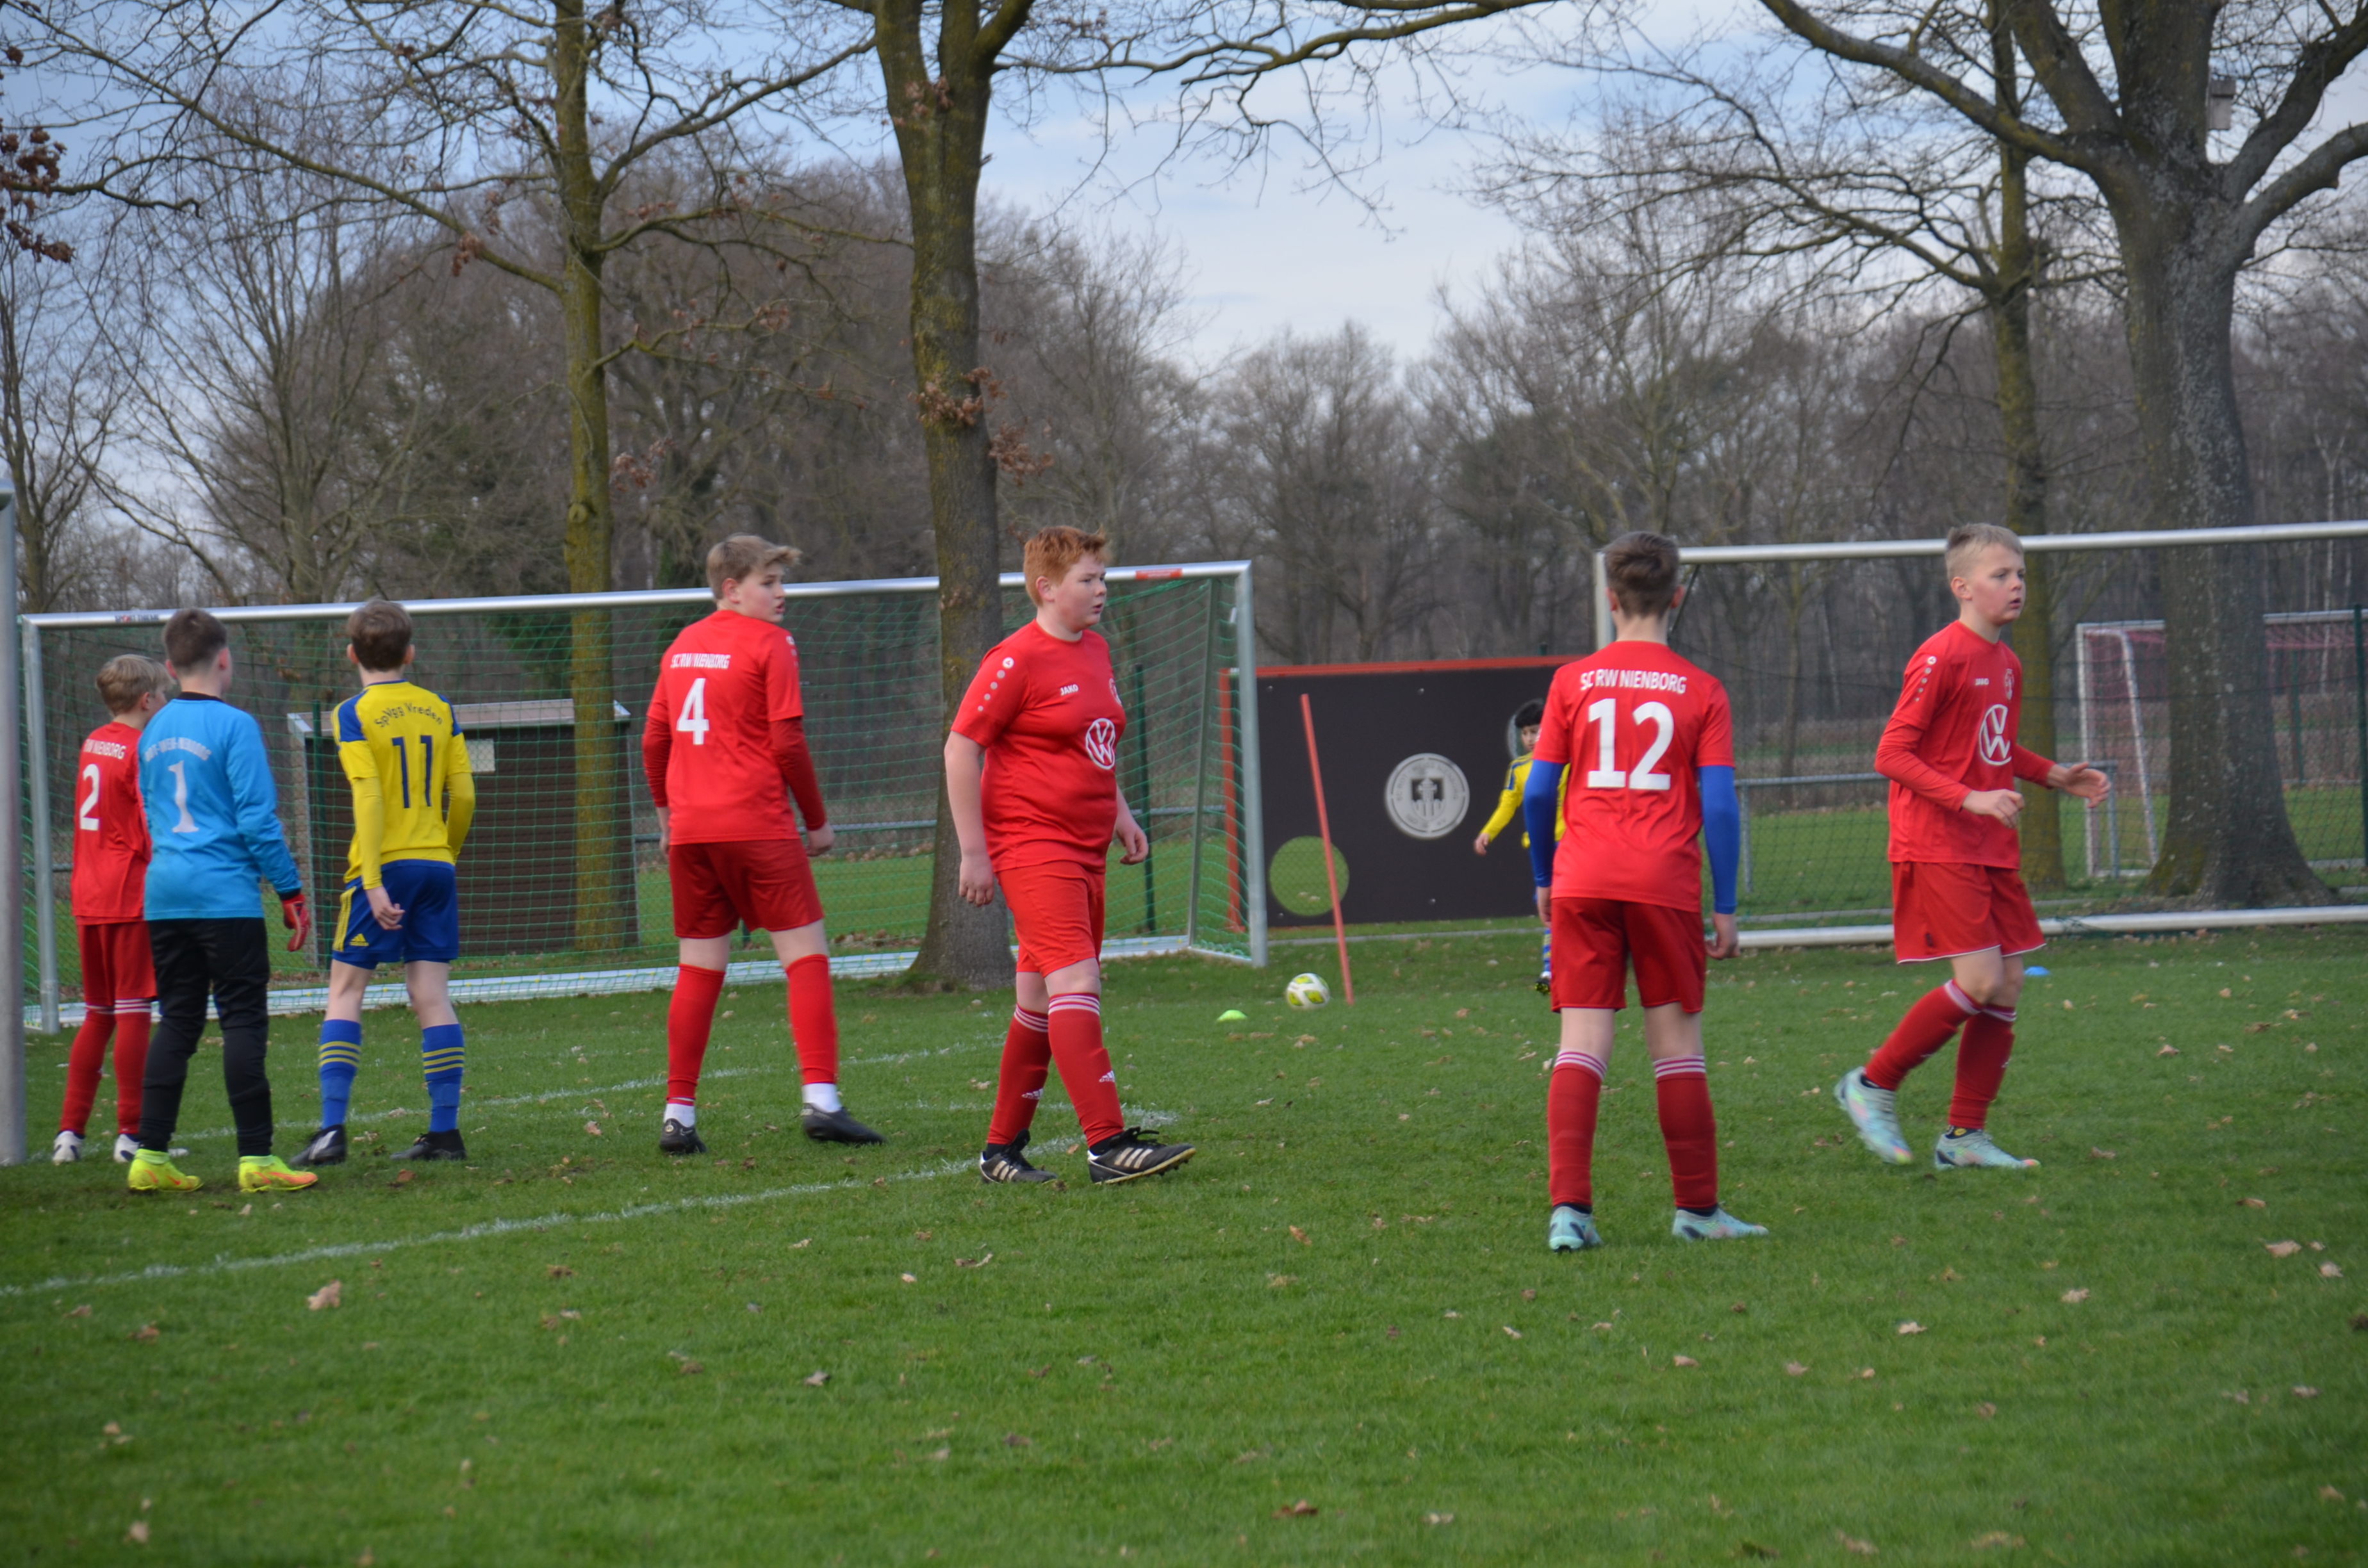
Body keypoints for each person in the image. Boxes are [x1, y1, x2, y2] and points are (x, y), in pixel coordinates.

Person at [1834, 524, 2109, 1170]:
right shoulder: (1940, 656)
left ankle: (1963, 1139)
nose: (2016, 586)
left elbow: (1993, 746)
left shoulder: (2007, 664)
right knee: (1981, 979)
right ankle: (1872, 1084)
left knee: (2008, 983)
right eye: (2000, 575)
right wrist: (1968, 798)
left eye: (2020, 574)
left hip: (1987, 842)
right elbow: (1891, 754)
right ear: (1962, 587)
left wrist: (2055, 775)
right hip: (1938, 840)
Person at [1522, 530, 1763, 1252]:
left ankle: (1570, 1213)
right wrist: (1726, 907)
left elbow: (1539, 792)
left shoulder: (1572, 681)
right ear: (1677, 598)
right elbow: (1719, 808)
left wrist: (1544, 877)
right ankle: (1698, 1211)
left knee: (1581, 1044)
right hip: (1664, 883)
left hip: (1583, 879)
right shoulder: (1703, 690)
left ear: (1610, 599)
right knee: (1677, 1048)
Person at [947, 526, 1195, 1185]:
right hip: (1033, 846)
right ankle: (1107, 1144)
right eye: (1088, 580)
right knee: (1078, 983)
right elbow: (960, 748)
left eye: (1102, 578)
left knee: (1037, 999)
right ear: (1047, 588)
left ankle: (999, 1153)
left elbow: (1093, 744)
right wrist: (973, 852)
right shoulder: (1014, 660)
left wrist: (1121, 813)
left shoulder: (1098, 650)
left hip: (1085, 851)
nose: (1101, 589)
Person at [643, 534, 881, 1154]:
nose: (782, 595)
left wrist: (667, 817)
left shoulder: (681, 645)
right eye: (769, 583)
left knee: (699, 969)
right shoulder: (772, 643)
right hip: (756, 823)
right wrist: (818, 821)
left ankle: (678, 1116)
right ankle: (822, 1101)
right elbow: (788, 743)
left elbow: (654, 741)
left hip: (693, 834)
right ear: (732, 589)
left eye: (782, 582)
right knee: (806, 958)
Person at [127, 608, 315, 1195]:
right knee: (242, 1019)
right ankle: (256, 1159)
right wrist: (290, 889)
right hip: (224, 896)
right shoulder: (236, 725)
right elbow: (258, 821)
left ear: (169, 666)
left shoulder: (151, 729)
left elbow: (149, 811)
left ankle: (149, 1156)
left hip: (165, 894)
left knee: (178, 1020)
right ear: (225, 658)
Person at [292, 600, 477, 1167]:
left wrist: (372, 880)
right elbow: (465, 795)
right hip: (435, 864)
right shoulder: (440, 708)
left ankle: (331, 1131)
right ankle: (444, 1133)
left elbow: (369, 797)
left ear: (352, 655)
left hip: (384, 868)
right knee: (432, 996)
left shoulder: (352, 713)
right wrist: (446, 854)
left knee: (346, 992)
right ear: (410, 653)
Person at [53, 655, 174, 1164]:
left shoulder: (92, 741)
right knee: (133, 1012)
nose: (166, 703)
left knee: (98, 1013)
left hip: (88, 892)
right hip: (127, 893)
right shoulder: (140, 749)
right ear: (147, 700)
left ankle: (69, 1134)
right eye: (163, 696)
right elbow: (146, 829)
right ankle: (132, 1133)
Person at [1474, 698, 1567, 993]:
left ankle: (1560, 970)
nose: (1529, 738)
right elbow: (1507, 805)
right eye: (1525, 733)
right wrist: (1488, 832)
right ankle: (1550, 972)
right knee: (1552, 911)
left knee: (1565, 908)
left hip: (1572, 843)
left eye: (1535, 731)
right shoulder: (1519, 769)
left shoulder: (1569, 760)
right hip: (1542, 849)